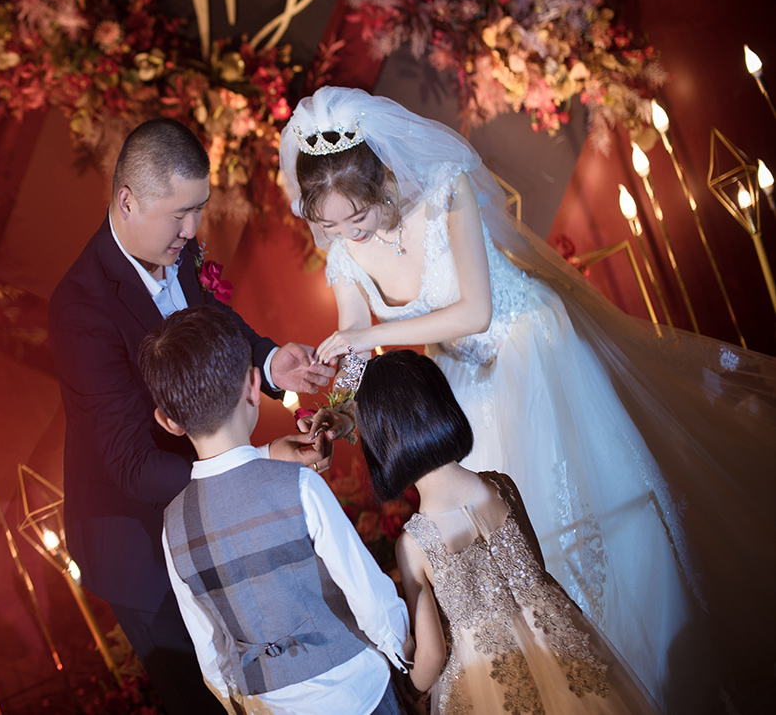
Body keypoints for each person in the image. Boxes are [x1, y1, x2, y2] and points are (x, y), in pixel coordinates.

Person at [279, 86, 776, 713]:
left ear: (379, 179)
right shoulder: (345, 255)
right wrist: (338, 411)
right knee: (512, 535)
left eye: (355, 218)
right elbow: (353, 345)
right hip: (459, 383)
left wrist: (368, 337)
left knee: (586, 513)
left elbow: (476, 312)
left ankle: (658, 678)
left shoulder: (445, 188)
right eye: (330, 225)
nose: (346, 234)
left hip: (531, 350)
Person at [48, 117, 336, 715]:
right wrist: (254, 465)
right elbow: (132, 464)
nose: (192, 230)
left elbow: (211, 322)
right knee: (206, 700)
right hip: (140, 547)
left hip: (210, 510)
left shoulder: (175, 247)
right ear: (127, 201)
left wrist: (269, 360)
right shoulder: (80, 309)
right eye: (180, 214)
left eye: (199, 209)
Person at [137, 305, 412, 715]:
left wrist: (237, 701)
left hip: (269, 704)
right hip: (357, 690)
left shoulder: (173, 525)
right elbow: (370, 598)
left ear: (168, 421)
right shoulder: (298, 484)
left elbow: (208, 646)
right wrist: (404, 658)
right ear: (254, 385)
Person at [355, 349, 661, 714]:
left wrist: (408, 688)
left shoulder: (413, 545)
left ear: (381, 441)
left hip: (488, 680)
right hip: (561, 648)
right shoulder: (501, 486)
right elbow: (537, 572)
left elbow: (432, 656)